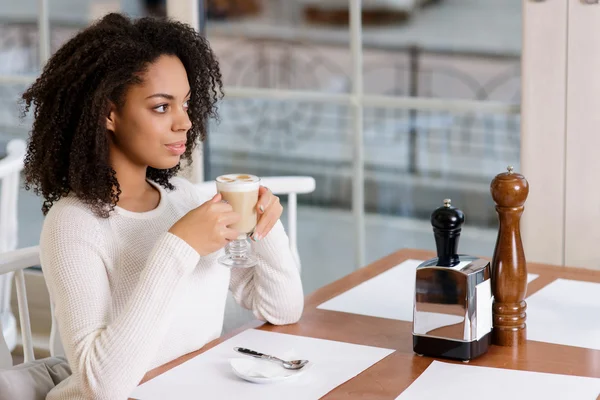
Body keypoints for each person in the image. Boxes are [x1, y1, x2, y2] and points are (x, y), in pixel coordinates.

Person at [21, 12, 303, 400]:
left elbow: (282, 310)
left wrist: (264, 230)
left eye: (185, 104)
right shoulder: (74, 223)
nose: (184, 123)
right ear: (109, 113)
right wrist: (178, 246)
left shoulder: (185, 200)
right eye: (160, 107)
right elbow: (100, 387)